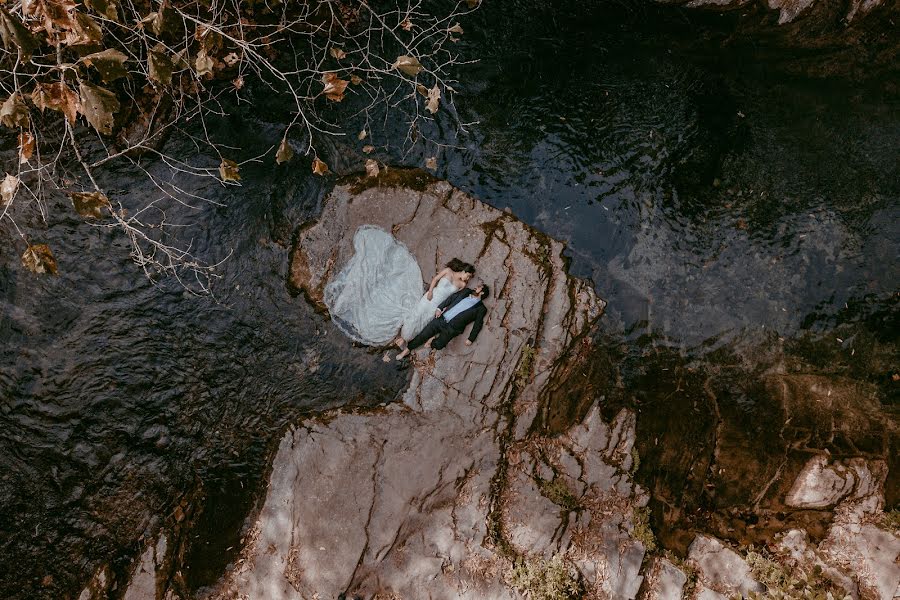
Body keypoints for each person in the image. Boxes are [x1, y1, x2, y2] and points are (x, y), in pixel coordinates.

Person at [395, 284, 490, 360]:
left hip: (452, 329)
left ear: (482, 292)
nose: (476, 287)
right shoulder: (466, 291)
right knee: (423, 335)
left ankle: (432, 341)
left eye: (479, 287)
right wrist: (440, 308)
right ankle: (406, 350)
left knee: (439, 345)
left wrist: (471, 338)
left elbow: (478, 324)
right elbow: (451, 298)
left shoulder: (481, 308)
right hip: (442, 319)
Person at [395, 259, 475, 347]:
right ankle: (403, 335)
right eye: (468, 276)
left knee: (424, 321)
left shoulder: (462, 285)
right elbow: (435, 279)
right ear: (464, 271)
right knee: (417, 314)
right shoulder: (448, 271)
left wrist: (443, 308)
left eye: (469, 278)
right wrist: (430, 291)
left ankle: (408, 338)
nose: (467, 279)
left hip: (438, 306)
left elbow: (452, 299)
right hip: (431, 297)